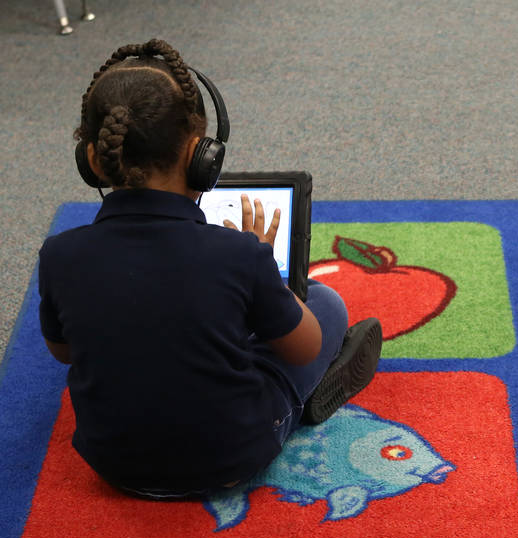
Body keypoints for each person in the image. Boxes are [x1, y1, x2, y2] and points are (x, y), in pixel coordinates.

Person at [37, 38, 382, 499]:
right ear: (202, 155)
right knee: (323, 304)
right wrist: (265, 277)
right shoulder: (239, 254)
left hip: (113, 465)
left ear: (93, 160)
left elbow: (63, 353)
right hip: (230, 459)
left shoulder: (60, 253)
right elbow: (304, 349)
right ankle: (298, 406)